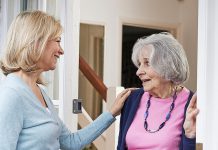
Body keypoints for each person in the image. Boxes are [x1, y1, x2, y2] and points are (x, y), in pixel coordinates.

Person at [0, 10, 134, 150]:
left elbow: (70, 142)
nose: (61, 50)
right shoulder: (12, 95)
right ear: (36, 42)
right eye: (57, 41)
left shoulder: (40, 91)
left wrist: (111, 112)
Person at [117, 32, 199, 150]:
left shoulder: (191, 104)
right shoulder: (132, 99)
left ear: (168, 65)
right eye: (139, 64)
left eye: (147, 63)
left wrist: (190, 136)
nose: (138, 72)